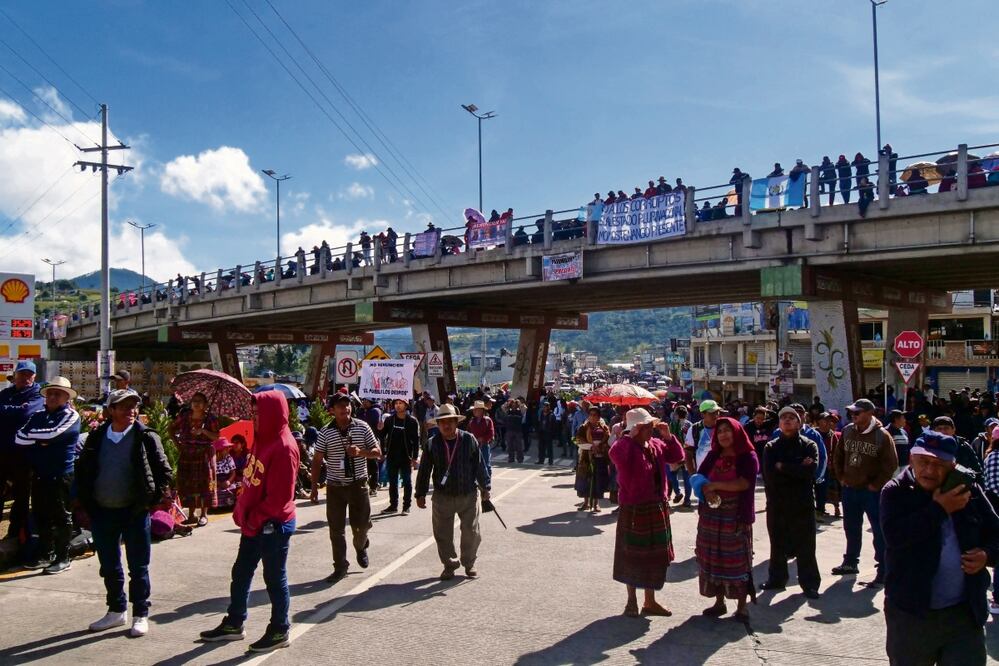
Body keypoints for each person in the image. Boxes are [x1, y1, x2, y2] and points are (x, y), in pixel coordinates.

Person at [881, 431, 999, 665]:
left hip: (963, 615)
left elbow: (996, 533)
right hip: (911, 615)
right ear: (912, 458)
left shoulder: (969, 491)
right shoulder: (896, 491)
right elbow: (895, 537)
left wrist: (986, 555)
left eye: (939, 464)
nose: (930, 470)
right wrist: (939, 508)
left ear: (953, 466)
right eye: (924, 461)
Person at [200, 392, 299, 653]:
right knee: (241, 572)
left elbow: (279, 499)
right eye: (253, 414)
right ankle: (234, 622)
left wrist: (252, 518)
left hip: (273, 526)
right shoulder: (261, 439)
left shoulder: (284, 447)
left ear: (273, 414)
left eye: (259, 414)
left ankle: (280, 629)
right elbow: (251, 479)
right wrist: (242, 509)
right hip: (253, 523)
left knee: (274, 578)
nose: (254, 418)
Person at [75, 389, 172, 637]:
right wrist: (84, 503)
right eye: (124, 406)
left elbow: (164, 471)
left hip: (135, 512)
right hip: (102, 511)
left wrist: (151, 501)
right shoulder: (97, 437)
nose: (131, 411)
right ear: (111, 410)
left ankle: (141, 613)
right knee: (109, 564)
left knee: (138, 567)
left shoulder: (146, 437)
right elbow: (84, 470)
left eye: (134, 406)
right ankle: (116, 610)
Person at [609, 408, 682, 617]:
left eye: (651, 425)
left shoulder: (657, 445)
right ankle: (631, 601)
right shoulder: (627, 447)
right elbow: (615, 456)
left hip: (656, 505)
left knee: (654, 557)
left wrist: (669, 437)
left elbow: (677, 457)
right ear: (637, 429)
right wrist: (627, 438)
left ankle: (650, 601)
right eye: (647, 426)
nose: (651, 429)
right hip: (634, 508)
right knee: (631, 556)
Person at [310, 393, 381, 583]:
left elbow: (378, 453)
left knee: (361, 526)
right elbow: (317, 460)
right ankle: (340, 566)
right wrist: (314, 488)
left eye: (347, 405)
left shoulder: (362, 427)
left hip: (358, 485)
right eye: (340, 406)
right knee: (336, 529)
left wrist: (361, 452)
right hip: (335, 487)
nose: (345, 409)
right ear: (332, 410)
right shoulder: (325, 432)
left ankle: (361, 545)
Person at [414, 404, 490, 580]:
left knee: (471, 531)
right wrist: (420, 493)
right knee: (442, 533)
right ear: (438, 424)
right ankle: (449, 564)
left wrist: (486, 487)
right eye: (442, 422)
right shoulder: (432, 444)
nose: (446, 425)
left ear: (457, 422)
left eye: (450, 422)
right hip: (442, 496)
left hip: (468, 494)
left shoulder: (468, 440)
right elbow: (424, 470)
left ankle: (469, 563)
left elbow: (480, 465)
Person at [696, 417, 760, 621]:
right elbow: (700, 477)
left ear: (737, 432)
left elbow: (744, 483)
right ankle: (719, 602)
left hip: (735, 516)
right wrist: (706, 491)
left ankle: (742, 606)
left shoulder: (747, 457)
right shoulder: (713, 455)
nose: (723, 434)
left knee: (737, 559)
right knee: (714, 558)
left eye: (727, 430)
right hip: (712, 516)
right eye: (720, 431)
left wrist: (715, 486)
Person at [15, 376, 80, 574]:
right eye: (50, 393)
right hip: (40, 474)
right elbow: (19, 437)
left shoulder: (71, 416)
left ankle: (63, 557)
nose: (52, 397)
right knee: (41, 516)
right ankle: (46, 553)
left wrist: (35, 439)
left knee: (62, 517)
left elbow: (53, 434)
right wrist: (41, 441)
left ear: (66, 397)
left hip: (60, 475)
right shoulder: (37, 416)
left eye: (57, 394)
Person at [830, 398, 897, 585]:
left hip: (872, 492)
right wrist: (841, 477)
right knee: (851, 527)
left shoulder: (882, 436)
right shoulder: (847, 431)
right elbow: (838, 456)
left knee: (878, 530)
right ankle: (850, 562)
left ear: (870, 414)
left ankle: (883, 569)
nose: (853, 415)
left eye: (857, 412)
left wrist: (876, 485)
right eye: (852, 412)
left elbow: (891, 464)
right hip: (850, 489)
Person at [761, 406, 821, 598]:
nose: (787, 420)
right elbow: (770, 477)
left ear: (799, 422)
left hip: (802, 504)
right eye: (783, 417)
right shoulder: (771, 447)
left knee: (806, 546)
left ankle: (810, 584)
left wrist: (783, 467)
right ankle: (777, 579)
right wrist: (796, 468)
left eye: (791, 417)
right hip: (777, 504)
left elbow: (810, 472)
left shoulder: (809, 445)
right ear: (779, 423)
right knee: (777, 544)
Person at [0, 360, 43, 542]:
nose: (25, 378)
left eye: (29, 375)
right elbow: (19, 412)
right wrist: (17, 410)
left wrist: (6, 410)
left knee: (22, 495)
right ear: (15, 375)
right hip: (2, 451)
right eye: (22, 374)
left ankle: (15, 533)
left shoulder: (37, 394)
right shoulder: (5, 393)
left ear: (34, 377)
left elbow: (27, 414)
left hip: (24, 453)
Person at [170, 392, 219, 526]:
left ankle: (204, 514)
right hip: (187, 454)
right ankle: (191, 515)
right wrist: (178, 445)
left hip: (204, 454)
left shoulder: (210, 419)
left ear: (205, 405)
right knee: (188, 483)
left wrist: (203, 431)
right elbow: (171, 429)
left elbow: (216, 436)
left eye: (200, 401)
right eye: (194, 401)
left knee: (205, 483)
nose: (196, 403)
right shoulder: (184, 416)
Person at [379, 398, 420, 515]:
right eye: (396, 403)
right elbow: (382, 436)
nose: (398, 406)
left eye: (400, 403)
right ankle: (393, 505)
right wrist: (380, 429)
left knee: (407, 481)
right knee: (393, 482)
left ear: (406, 405)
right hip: (392, 455)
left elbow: (416, 441)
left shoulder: (412, 421)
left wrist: (414, 457)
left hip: (406, 456)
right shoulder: (389, 420)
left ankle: (406, 506)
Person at [575, 406, 611, 512]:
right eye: (590, 415)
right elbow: (577, 440)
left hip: (600, 457)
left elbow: (607, 442)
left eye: (595, 415)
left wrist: (600, 448)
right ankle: (586, 503)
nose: (592, 417)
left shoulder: (604, 428)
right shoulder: (583, 427)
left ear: (599, 417)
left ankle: (596, 504)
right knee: (585, 480)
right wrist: (590, 447)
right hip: (586, 458)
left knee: (598, 481)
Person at [685, 400, 722, 477]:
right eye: (711, 413)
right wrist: (692, 475)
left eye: (717, 412)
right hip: (702, 476)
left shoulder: (723, 427)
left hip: (722, 475)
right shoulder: (694, 429)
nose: (716, 415)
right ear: (702, 414)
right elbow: (688, 454)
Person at [357, 397, 383, 497]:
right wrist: (361, 409)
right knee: (364, 465)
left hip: (371, 442)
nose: (363, 402)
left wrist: (364, 412)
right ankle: (366, 485)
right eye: (363, 400)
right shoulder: (364, 410)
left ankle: (373, 487)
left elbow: (366, 423)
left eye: (366, 401)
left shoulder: (375, 411)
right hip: (362, 442)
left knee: (373, 465)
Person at [465, 400, 495, 476]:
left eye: (476, 410)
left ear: (482, 411)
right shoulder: (471, 421)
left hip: (484, 445)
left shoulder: (488, 420)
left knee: (486, 463)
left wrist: (483, 438)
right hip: (474, 446)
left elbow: (491, 433)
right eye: (474, 410)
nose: (474, 411)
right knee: (475, 463)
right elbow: (468, 432)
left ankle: (487, 480)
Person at [501, 399, 525, 463]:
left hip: (518, 430)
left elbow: (525, 408)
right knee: (510, 446)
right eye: (512, 405)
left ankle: (520, 459)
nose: (514, 406)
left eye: (515, 405)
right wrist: (508, 403)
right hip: (509, 430)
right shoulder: (508, 411)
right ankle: (511, 458)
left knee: (519, 446)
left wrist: (519, 404)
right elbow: (502, 407)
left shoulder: (520, 411)